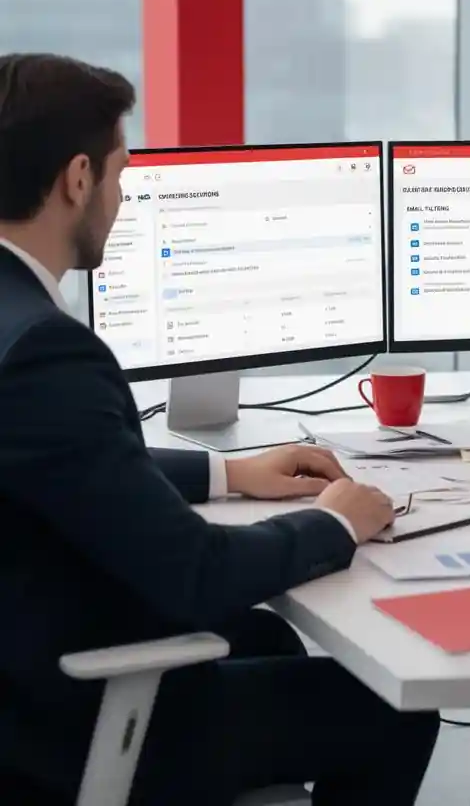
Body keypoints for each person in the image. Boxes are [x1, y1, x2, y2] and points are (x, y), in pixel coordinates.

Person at [0, 54, 439, 805]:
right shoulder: (46, 348)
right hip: (60, 730)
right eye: (120, 175)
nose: (120, 197)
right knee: (393, 707)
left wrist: (229, 473)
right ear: (78, 179)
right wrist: (332, 523)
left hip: (26, 667)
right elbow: (197, 574)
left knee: (264, 636)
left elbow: (65, 463)